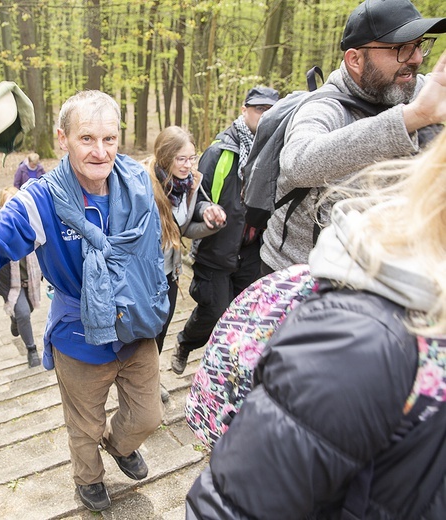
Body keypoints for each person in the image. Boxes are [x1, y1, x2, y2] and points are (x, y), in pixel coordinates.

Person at [185, 126, 446, 520]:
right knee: (209, 313)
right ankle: (185, 346)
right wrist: (206, 218)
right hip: (218, 261)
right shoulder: (363, 342)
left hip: (245, 258)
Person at [0, 90, 168, 513]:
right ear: (62, 139)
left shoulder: (136, 181)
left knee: (147, 417)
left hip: (138, 327)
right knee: (84, 427)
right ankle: (88, 481)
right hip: (80, 337)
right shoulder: (40, 200)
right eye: (87, 138)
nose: (100, 152)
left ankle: (120, 445)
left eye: (110, 139)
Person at [260, 0, 446, 275]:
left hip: (386, 276)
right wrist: (413, 117)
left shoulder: (417, 90)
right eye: (402, 48)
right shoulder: (323, 107)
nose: (417, 58)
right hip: (302, 279)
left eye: (419, 45)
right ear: (355, 60)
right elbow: (297, 163)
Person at [171, 86, 279, 375]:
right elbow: (195, 196)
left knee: (244, 316)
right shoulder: (220, 151)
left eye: (271, 110)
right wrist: (207, 210)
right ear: (244, 110)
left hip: (253, 250)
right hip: (217, 249)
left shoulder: (277, 149)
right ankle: (184, 343)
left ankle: (225, 369)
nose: (265, 115)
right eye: (259, 109)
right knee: (214, 311)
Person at [142, 127, 226, 399]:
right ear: (165, 157)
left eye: (192, 158)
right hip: (143, 276)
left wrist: (210, 218)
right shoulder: (142, 184)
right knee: (142, 335)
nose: (188, 165)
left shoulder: (189, 184)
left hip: (170, 273)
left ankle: (150, 383)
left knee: (161, 332)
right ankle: (139, 388)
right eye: (181, 159)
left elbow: (184, 228)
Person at [0, 186, 42, 368]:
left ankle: (15, 319)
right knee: (24, 313)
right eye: (8, 202)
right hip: (10, 283)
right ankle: (31, 349)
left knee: (28, 311)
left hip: (30, 280)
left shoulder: (31, 222)